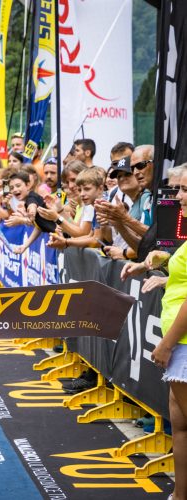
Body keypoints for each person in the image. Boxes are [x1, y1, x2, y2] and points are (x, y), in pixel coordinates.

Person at [121, 168, 187, 500]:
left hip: (183, 344)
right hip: (180, 346)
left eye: (185, 190)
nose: (177, 197)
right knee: (180, 427)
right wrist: (154, 265)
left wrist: (166, 343)